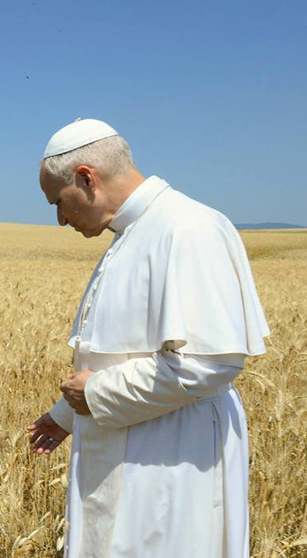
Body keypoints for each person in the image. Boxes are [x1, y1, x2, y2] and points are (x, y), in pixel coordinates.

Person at [26, 118, 270, 557]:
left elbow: (209, 363)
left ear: (87, 178)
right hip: (135, 445)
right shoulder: (133, 234)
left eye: (59, 202)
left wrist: (97, 392)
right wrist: (67, 412)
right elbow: (124, 351)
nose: (60, 219)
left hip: (171, 458)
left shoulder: (188, 228)